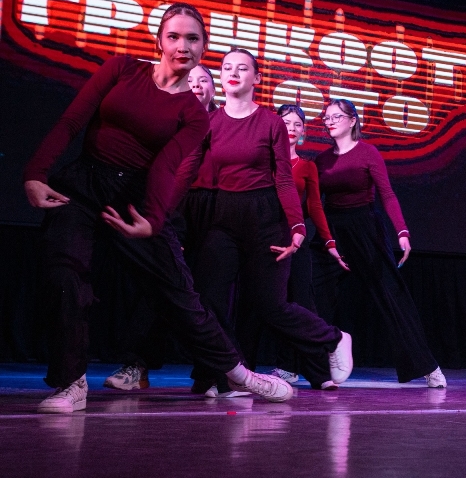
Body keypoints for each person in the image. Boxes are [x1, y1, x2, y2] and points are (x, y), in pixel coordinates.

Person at [23, 3, 294, 412]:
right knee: (65, 274)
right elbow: (72, 121)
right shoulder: (122, 69)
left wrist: (152, 220)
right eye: (174, 36)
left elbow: (167, 168)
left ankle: (239, 374)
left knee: (180, 295)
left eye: (193, 38)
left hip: (135, 197)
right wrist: (36, 172)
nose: (183, 46)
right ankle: (71, 382)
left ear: (204, 47)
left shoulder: (194, 114)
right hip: (83, 185)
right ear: (159, 42)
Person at [187, 48, 353, 392]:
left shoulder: (270, 122)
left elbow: (283, 179)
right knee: (210, 298)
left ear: (257, 78)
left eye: (242, 68)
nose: (233, 73)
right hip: (223, 214)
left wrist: (297, 226)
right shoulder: (210, 122)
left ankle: (334, 338)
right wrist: (158, 210)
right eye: (227, 68)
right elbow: (188, 170)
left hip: (265, 217)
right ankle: (227, 376)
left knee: (270, 305)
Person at [103, 63, 222, 392]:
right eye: (190, 79)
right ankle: (137, 365)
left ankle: (212, 373)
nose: (196, 84)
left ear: (214, 88)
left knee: (209, 294)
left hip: (211, 215)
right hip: (169, 211)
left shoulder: (222, 123)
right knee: (158, 288)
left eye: (203, 80)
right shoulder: (169, 118)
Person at [315, 98, 446, 387]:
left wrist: (402, 231)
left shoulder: (367, 153)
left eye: (336, 116)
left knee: (391, 294)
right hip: (332, 229)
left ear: (352, 121)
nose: (330, 121)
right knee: (313, 294)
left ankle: (427, 366)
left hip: (365, 227)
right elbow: (313, 201)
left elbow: (387, 194)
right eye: (326, 117)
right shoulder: (321, 161)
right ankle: (300, 365)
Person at [265, 103, 349, 385]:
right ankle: (284, 367)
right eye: (286, 122)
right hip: (265, 238)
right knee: (273, 305)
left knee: (302, 304)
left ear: (303, 132)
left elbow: (314, 206)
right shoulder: (263, 161)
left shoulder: (307, 166)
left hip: (296, 241)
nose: (292, 128)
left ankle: (319, 372)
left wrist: (329, 242)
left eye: (297, 124)